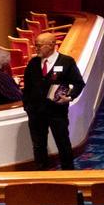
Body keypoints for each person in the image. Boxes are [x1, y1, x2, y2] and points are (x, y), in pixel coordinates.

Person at [24, 32, 86, 170]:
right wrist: (27, 107)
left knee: (63, 143)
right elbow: (27, 87)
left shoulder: (66, 61)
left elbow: (79, 83)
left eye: (39, 45)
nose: (36, 48)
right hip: (36, 113)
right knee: (38, 145)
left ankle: (68, 173)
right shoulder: (33, 63)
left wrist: (69, 97)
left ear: (52, 45)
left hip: (57, 112)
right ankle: (42, 173)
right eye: (35, 45)